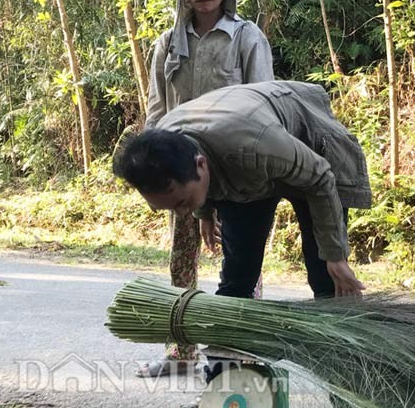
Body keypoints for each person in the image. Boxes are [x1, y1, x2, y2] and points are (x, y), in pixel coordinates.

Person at [140, 0, 274, 376]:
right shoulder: (167, 45)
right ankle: (180, 355)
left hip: (235, 169)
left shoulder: (246, 37)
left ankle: (239, 350)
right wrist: (152, 168)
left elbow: (264, 104)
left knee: (241, 259)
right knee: (182, 260)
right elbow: (157, 112)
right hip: (182, 174)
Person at [114, 81, 370, 301]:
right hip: (237, 162)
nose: (181, 213)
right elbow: (190, 158)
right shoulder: (164, 148)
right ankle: (226, 358)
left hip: (302, 142)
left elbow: (320, 177)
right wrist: (202, 211)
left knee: (326, 273)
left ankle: (333, 352)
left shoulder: (256, 147)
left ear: (201, 166)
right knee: (237, 277)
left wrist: (336, 256)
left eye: (182, 202)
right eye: (170, 208)